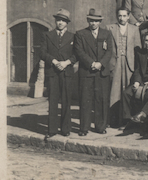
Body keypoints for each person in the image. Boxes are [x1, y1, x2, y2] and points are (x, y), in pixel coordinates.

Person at [74, 9, 114, 136]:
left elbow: (109, 52)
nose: (94, 23)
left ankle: (100, 126)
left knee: (101, 100)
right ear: (88, 20)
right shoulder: (80, 34)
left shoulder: (106, 34)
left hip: (102, 73)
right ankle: (83, 128)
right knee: (86, 100)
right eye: (91, 20)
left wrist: (100, 64)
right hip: (87, 72)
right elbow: (79, 51)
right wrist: (92, 63)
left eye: (96, 21)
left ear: (100, 21)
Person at [40, 9, 78, 139]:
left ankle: (65, 129)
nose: (60, 23)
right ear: (55, 21)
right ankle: (52, 130)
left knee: (66, 100)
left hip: (66, 72)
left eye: (63, 20)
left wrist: (67, 62)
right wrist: (54, 61)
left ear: (67, 22)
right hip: (53, 72)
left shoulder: (73, 36)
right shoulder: (47, 35)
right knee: (53, 100)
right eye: (58, 20)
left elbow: (76, 54)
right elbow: (43, 53)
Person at [107, 7, 142, 128]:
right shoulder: (110, 28)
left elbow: (138, 49)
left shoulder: (134, 29)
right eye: (119, 16)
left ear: (128, 16)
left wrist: (137, 65)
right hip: (115, 63)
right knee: (114, 91)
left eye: (124, 16)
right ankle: (113, 119)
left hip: (129, 63)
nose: (122, 18)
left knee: (128, 91)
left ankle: (128, 120)